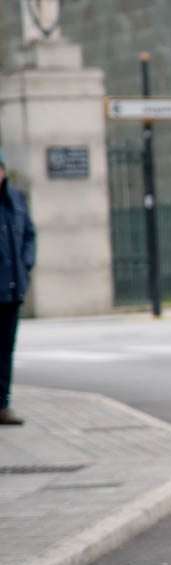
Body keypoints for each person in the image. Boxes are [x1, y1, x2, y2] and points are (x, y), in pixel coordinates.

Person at [0, 148, 37, 426]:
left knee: (5, 350)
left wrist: (25, 265)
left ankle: (2, 405)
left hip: (12, 290)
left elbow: (29, 236)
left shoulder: (16, 199)